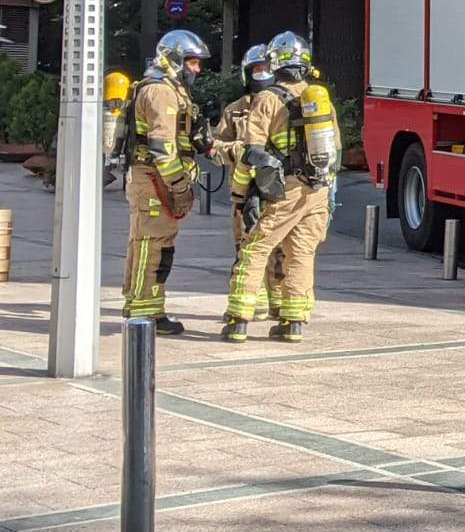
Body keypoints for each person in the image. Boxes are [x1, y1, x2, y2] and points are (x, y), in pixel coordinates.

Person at [222, 32, 341, 344]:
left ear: (275, 63)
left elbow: (251, 153)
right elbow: (336, 149)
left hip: (284, 189)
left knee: (255, 248)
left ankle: (238, 321)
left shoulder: (267, 99)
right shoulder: (318, 97)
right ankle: (293, 323)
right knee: (300, 254)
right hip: (316, 189)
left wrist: (239, 193)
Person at [122, 30, 209, 335]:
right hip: (154, 179)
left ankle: (138, 305)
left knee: (144, 242)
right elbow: (163, 148)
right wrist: (180, 186)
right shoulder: (161, 91)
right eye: (193, 62)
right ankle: (148, 314)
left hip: (150, 178)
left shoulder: (166, 87)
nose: (197, 69)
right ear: (174, 59)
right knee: (154, 246)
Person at [211, 44, 285, 321]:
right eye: (257, 69)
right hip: (243, 192)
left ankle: (279, 303)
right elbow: (216, 150)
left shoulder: (284, 105)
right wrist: (240, 152)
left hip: (276, 189)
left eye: (266, 68)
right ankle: (254, 304)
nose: (262, 73)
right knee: (246, 248)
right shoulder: (234, 111)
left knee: (279, 249)